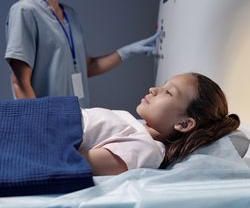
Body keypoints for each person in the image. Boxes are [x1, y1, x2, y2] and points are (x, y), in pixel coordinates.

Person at [4, 0, 159, 107]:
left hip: (79, 120)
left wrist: (125, 52)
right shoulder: (25, 11)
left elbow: (85, 67)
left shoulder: (71, 16)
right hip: (48, 124)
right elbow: (20, 82)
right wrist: (40, 128)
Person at [78, 72, 240, 175]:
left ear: (184, 124)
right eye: (163, 86)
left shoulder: (146, 148)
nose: (153, 89)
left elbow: (72, 163)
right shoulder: (135, 125)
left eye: (168, 92)